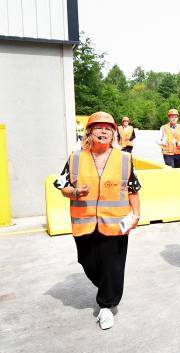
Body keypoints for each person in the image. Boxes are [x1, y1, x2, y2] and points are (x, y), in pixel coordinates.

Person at [54, 111, 141, 330]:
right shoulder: (75, 158)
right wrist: (74, 192)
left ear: (114, 133)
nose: (103, 131)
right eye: (98, 128)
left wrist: (136, 215)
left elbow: (133, 190)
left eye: (108, 128)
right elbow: (61, 186)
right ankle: (106, 287)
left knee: (112, 266)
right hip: (84, 222)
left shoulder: (124, 159)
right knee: (88, 262)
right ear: (89, 132)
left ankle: (106, 305)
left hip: (115, 223)